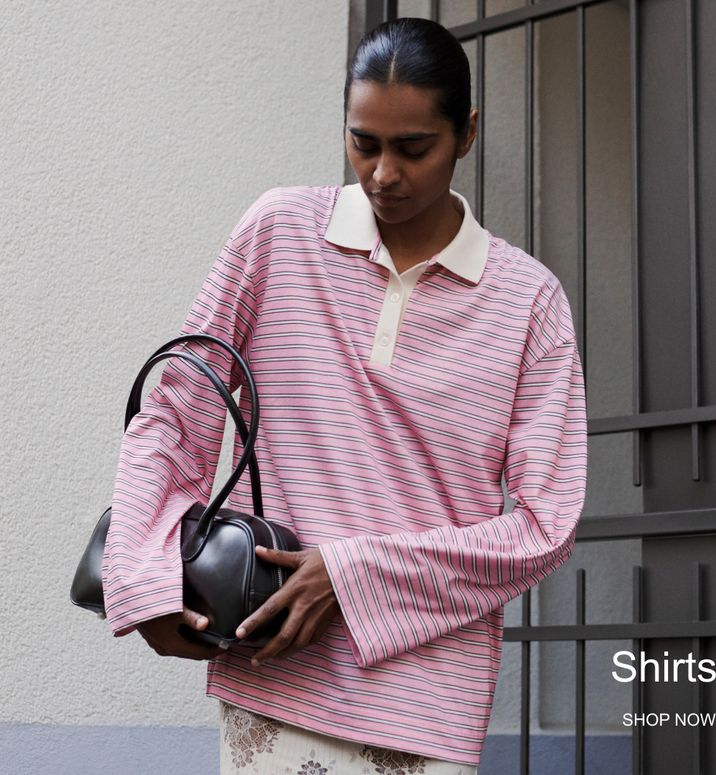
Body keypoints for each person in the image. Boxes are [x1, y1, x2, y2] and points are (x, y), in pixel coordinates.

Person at [103, 16, 587, 775]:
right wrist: (144, 579)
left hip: (430, 702)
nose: (383, 174)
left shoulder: (529, 302)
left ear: (466, 133)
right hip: (275, 675)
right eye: (363, 142)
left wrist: (353, 573)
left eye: (413, 148)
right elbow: (177, 413)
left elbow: (543, 525)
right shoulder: (277, 233)